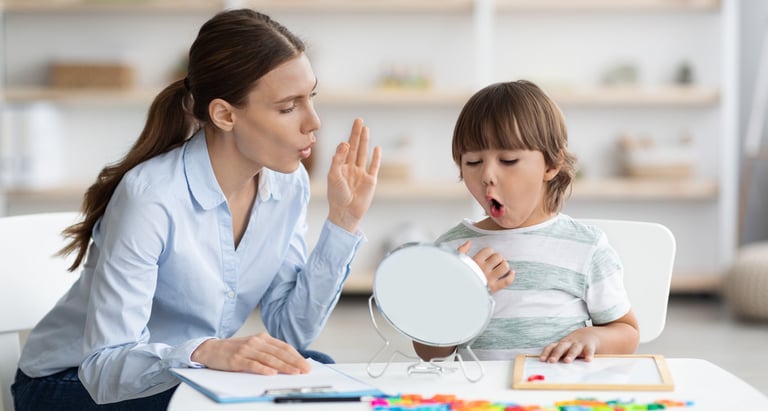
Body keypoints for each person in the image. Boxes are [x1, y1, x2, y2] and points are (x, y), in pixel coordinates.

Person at [12, 9, 381, 410]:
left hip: (182, 371)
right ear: (225, 114)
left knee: (316, 374)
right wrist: (206, 353)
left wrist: (343, 223)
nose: (314, 122)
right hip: (68, 382)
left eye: (311, 97)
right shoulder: (150, 197)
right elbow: (105, 370)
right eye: (288, 107)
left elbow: (290, 331)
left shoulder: (287, 186)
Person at [413, 80, 639, 364]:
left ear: (551, 164)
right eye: (472, 162)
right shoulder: (452, 249)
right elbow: (427, 352)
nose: (487, 175)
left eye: (507, 160)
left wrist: (593, 337)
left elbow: (627, 332)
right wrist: (462, 297)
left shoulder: (586, 247)